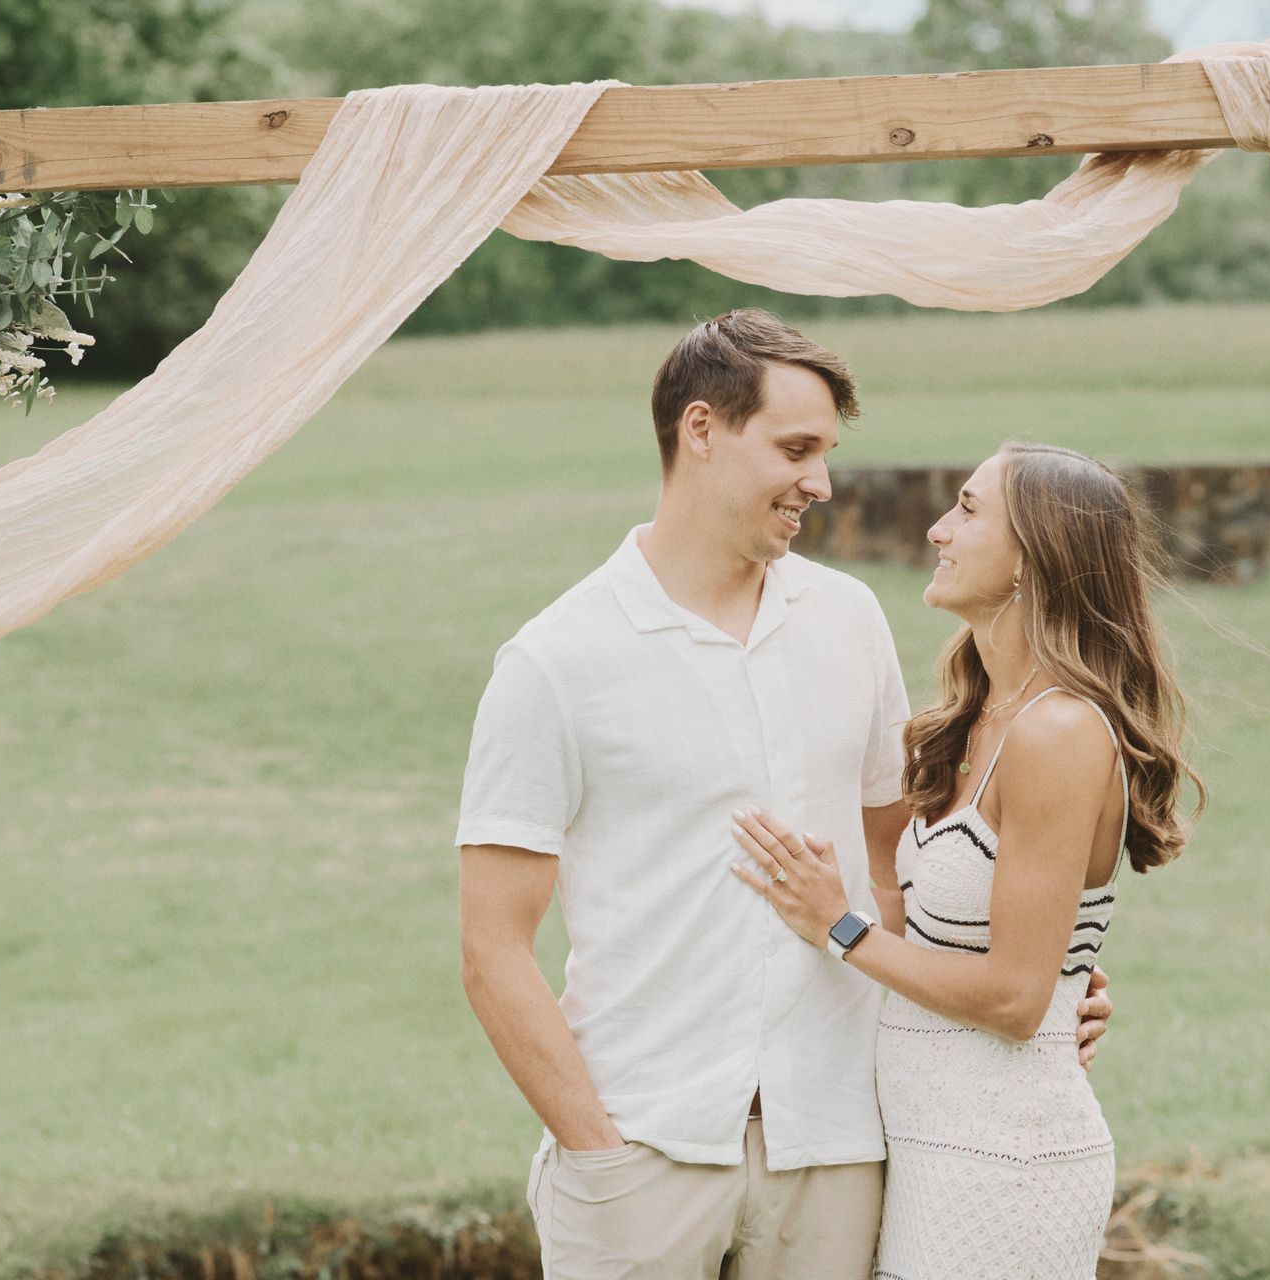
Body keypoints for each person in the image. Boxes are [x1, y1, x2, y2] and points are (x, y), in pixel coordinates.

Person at [454, 311, 1113, 1280]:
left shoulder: (846, 618)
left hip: (839, 1148)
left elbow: (902, 869)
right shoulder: (557, 660)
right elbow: (491, 946)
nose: (822, 481)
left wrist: (1047, 991)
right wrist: (594, 1146)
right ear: (702, 429)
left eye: (828, 453)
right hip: (644, 1149)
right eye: (797, 448)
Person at [732, 441, 1205, 1279]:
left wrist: (833, 924)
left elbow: (1017, 1000)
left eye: (969, 509)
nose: (938, 529)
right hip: (925, 1145)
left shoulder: (1057, 731)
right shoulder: (977, 713)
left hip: (1002, 1162)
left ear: (1036, 555)